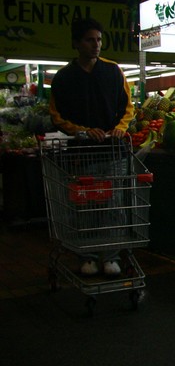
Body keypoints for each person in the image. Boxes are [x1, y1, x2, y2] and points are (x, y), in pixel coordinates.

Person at [49, 17, 135, 276]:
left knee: (113, 206)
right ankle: (86, 255)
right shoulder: (64, 78)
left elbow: (128, 107)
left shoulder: (113, 71)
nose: (96, 45)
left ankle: (110, 256)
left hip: (113, 152)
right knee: (84, 205)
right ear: (76, 44)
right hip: (81, 155)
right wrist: (83, 132)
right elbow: (57, 116)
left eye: (99, 39)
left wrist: (121, 127)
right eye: (90, 40)